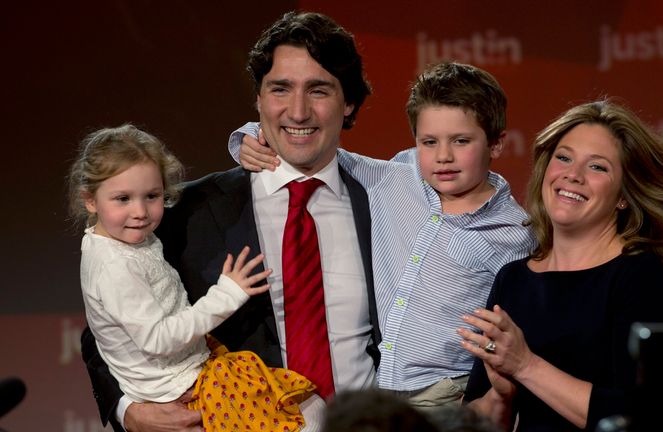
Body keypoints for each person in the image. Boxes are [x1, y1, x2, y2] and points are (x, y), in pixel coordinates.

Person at [79, 11, 381, 432]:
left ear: (348, 101)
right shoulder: (188, 211)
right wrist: (128, 410)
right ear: (258, 100)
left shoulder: (384, 202)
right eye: (280, 89)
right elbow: (105, 330)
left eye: (318, 90)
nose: (297, 111)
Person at [230, 62, 536, 410]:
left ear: (496, 144)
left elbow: (523, 327)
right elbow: (312, 149)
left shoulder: (514, 232)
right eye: (429, 142)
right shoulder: (395, 177)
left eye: (461, 141)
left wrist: (490, 396)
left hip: (449, 391)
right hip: (379, 388)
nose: (443, 156)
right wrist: (250, 137)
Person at [458, 100, 663, 431]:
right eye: (564, 158)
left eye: (597, 167)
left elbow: (639, 416)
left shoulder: (640, 277)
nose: (573, 175)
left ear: (624, 195)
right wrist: (501, 397)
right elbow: (480, 417)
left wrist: (526, 366)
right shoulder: (512, 279)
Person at [68, 124, 318, 432]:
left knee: (311, 409)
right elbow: (157, 339)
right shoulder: (114, 266)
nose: (140, 211)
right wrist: (227, 295)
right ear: (90, 200)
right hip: (183, 387)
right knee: (307, 418)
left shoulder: (121, 240)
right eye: (123, 199)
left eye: (152, 195)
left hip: (194, 363)